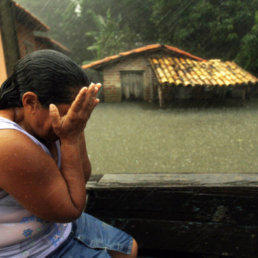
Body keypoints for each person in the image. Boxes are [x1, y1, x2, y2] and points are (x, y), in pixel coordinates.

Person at [0, 50, 138, 258]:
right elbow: (71, 209)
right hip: (28, 249)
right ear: (30, 103)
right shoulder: (7, 143)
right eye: (67, 115)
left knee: (129, 249)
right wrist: (70, 137)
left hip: (54, 230)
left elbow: (82, 176)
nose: (68, 123)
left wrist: (77, 127)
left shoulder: (41, 123)